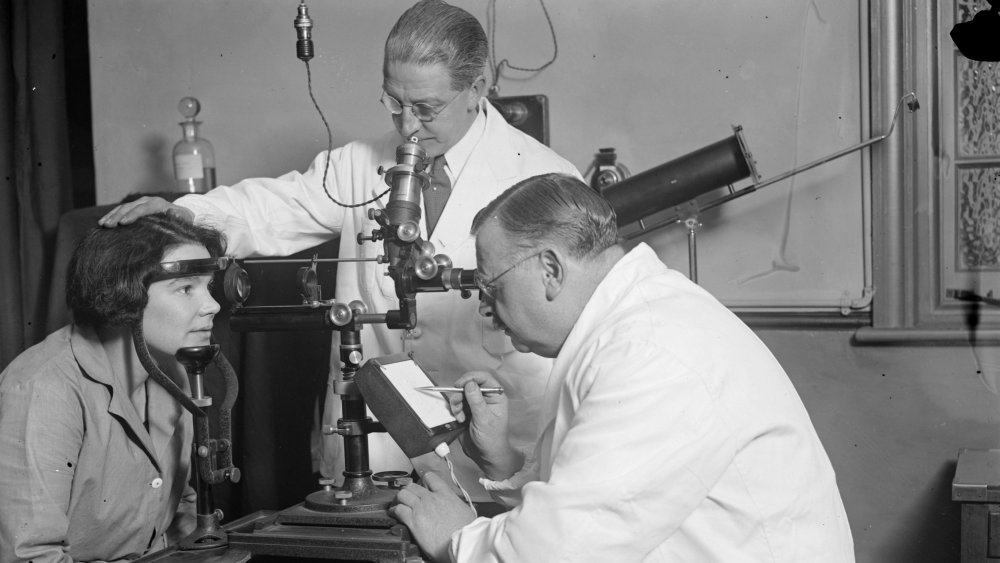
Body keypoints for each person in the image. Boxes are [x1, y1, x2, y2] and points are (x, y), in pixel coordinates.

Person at [97, 0, 580, 495]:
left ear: (477, 89)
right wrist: (186, 212)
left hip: (495, 463)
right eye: (395, 103)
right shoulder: (358, 165)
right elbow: (271, 208)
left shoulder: (545, 179)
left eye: (427, 109)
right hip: (375, 452)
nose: (408, 127)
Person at [390, 173, 856, 562]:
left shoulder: (651, 349)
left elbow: (563, 550)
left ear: (550, 270)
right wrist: (505, 462)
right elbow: (608, 499)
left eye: (492, 288)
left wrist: (456, 540)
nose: (487, 312)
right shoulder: (631, 322)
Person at [0, 214, 228, 562]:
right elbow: (30, 556)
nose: (212, 306)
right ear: (124, 293)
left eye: (208, 287)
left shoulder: (173, 377)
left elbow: (175, 507)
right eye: (186, 288)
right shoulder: (44, 389)